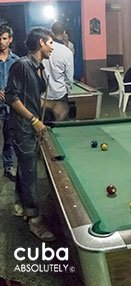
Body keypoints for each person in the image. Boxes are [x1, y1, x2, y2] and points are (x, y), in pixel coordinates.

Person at [4, 27, 55, 241]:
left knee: (25, 169)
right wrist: (34, 120)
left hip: (31, 126)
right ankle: (34, 219)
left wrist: (50, 108)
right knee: (31, 173)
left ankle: (19, 206)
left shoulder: (38, 67)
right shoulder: (22, 65)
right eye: (50, 42)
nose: (52, 47)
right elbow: (11, 97)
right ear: (41, 42)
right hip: (23, 128)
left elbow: (33, 96)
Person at [42, 21, 74, 122]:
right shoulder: (67, 52)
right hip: (60, 95)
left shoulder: (44, 48)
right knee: (62, 129)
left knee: (46, 127)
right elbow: (69, 77)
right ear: (64, 32)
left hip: (44, 95)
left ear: (51, 32)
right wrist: (68, 90)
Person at [0, 25, 18, 182]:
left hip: (10, 108)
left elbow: (20, 85)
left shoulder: (16, 61)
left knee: (9, 139)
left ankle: (9, 166)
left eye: (4, 38)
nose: (1, 41)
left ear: (10, 40)